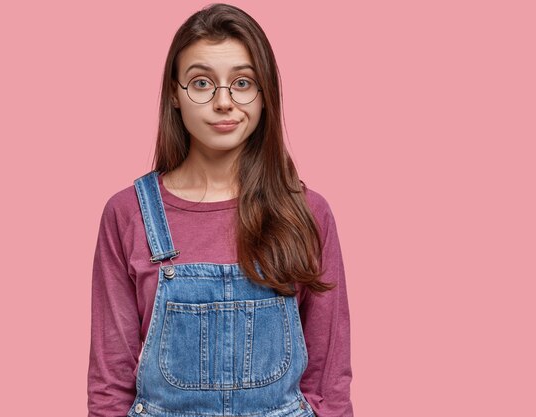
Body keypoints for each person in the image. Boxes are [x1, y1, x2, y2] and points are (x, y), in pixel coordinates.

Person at [87, 3, 353, 416]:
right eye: (201, 83)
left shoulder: (307, 213)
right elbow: (110, 382)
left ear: (265, 95)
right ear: (174, 94)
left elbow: (328, 381)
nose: (224, 102)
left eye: (243, 82)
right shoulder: (128, 214)